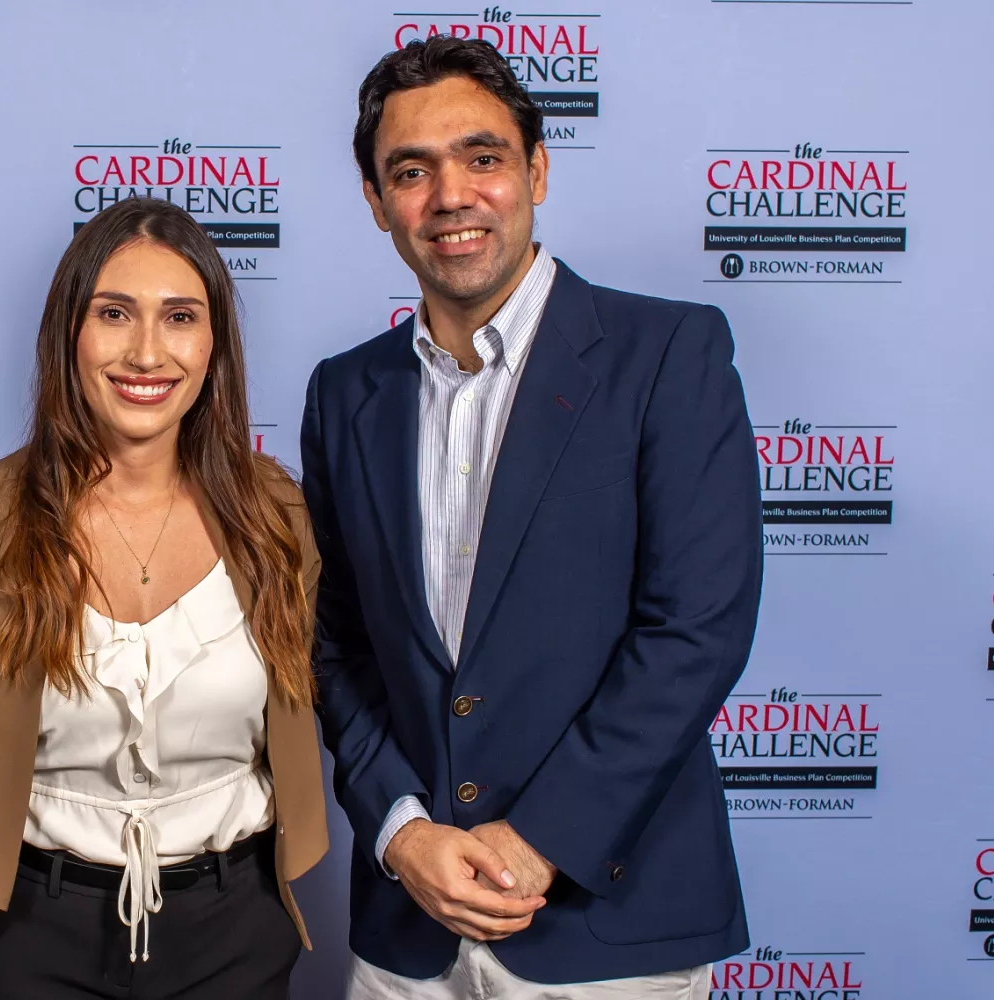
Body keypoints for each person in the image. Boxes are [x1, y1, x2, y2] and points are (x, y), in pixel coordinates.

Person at [301, 37, 762, 999]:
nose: (451, 197)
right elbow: (334, 645)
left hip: (605, 924)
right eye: (411, 171)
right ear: (376, 200)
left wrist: (542, 839)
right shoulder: (345, 392)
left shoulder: (667, 353)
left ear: (536, 169)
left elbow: (696, 630)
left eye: (483, 158)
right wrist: (401, 830)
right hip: (407, 930)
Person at [0, 197, 328, 998]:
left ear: (214, 346)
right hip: (31, 928)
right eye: (113, 314)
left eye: (179, 316)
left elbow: (307, 684)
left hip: (235, 923)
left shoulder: (273, 511)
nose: (145, 352)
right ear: (70, 332)